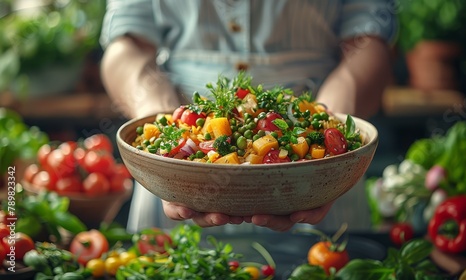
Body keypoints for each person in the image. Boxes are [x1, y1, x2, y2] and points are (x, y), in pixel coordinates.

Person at [100, 0, 396, 233]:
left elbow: (368, 42)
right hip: (177, 177)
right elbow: (126, 46)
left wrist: (331, 147)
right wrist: (165, 130)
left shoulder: (315, 144)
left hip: (318, 182)